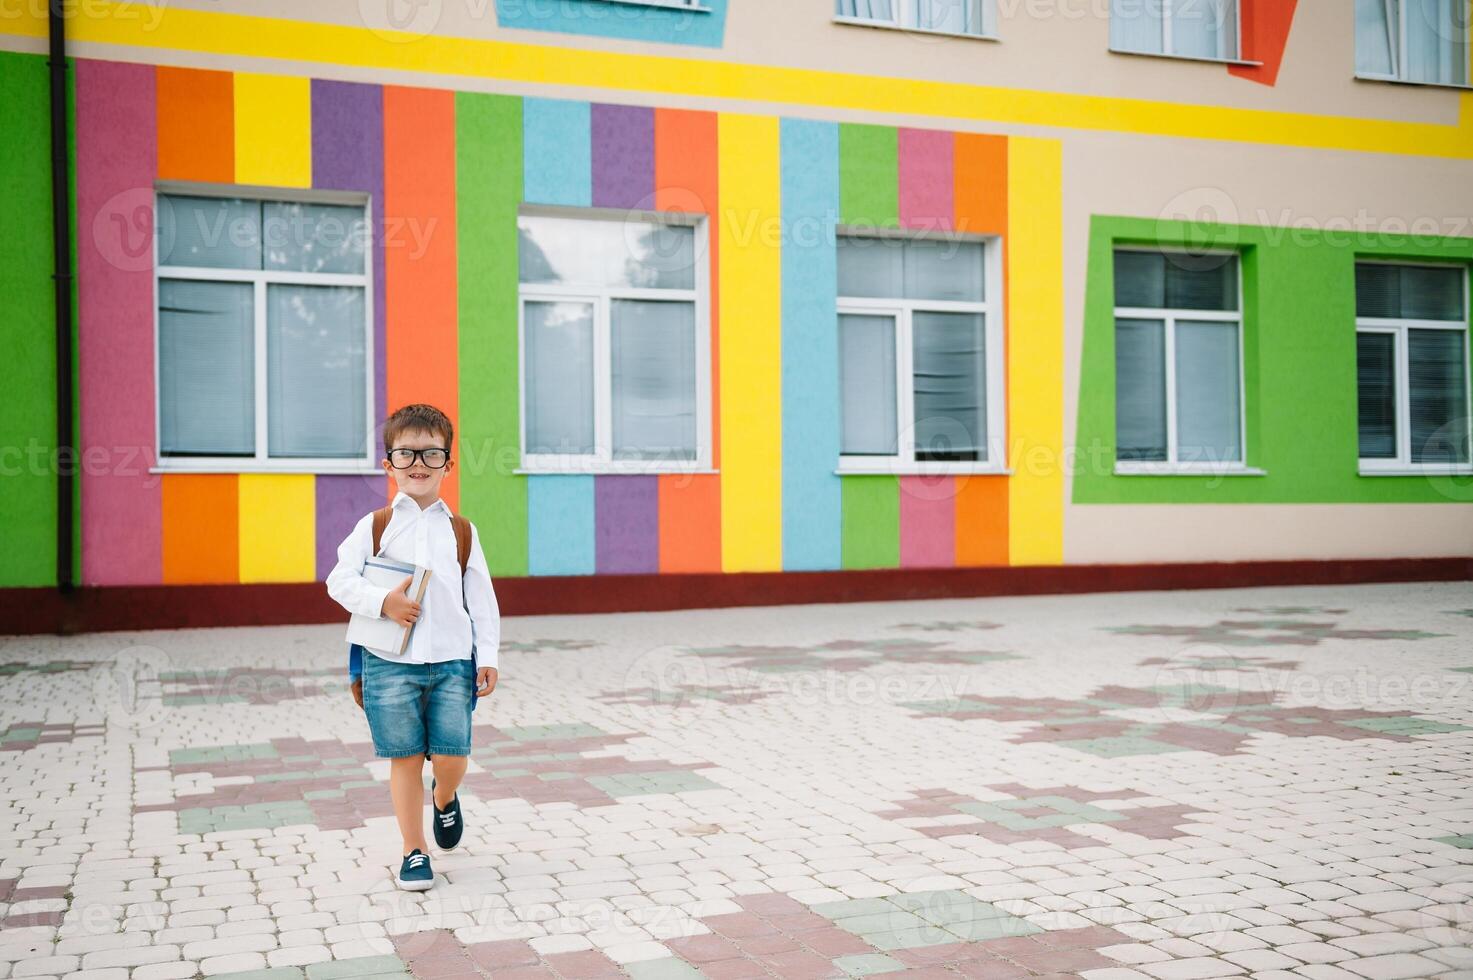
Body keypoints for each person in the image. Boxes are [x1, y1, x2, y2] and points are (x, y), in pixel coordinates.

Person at [326, 403, 500, 891]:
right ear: (389, 464)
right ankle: (414, 850)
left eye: (430, 453)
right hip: (389, 664)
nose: (418, 462)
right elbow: (339, 580)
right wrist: (383, 601)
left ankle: (444, 798)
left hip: (450, 662)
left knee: (452, 755)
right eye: (406, 453)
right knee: (403, 757)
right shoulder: (376, 526)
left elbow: (481, 598)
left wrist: (487, 656)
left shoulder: (461, 531)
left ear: (448, 463)